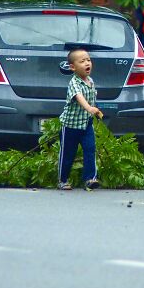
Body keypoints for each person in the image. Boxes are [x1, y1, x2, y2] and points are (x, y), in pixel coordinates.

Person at [58, 48, 104, 191]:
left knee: (90, 149)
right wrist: (89, 108)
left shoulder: (90, 81)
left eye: (88, 60)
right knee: (67, 154)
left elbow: (92, 98)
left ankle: (90, 179)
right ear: (72, 67)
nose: (87, 63)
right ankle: (62, 180)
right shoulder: (74, 82)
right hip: (70, 126)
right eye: (82, 61)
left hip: (86, 125)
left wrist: (95, 110)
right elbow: (79, 97)